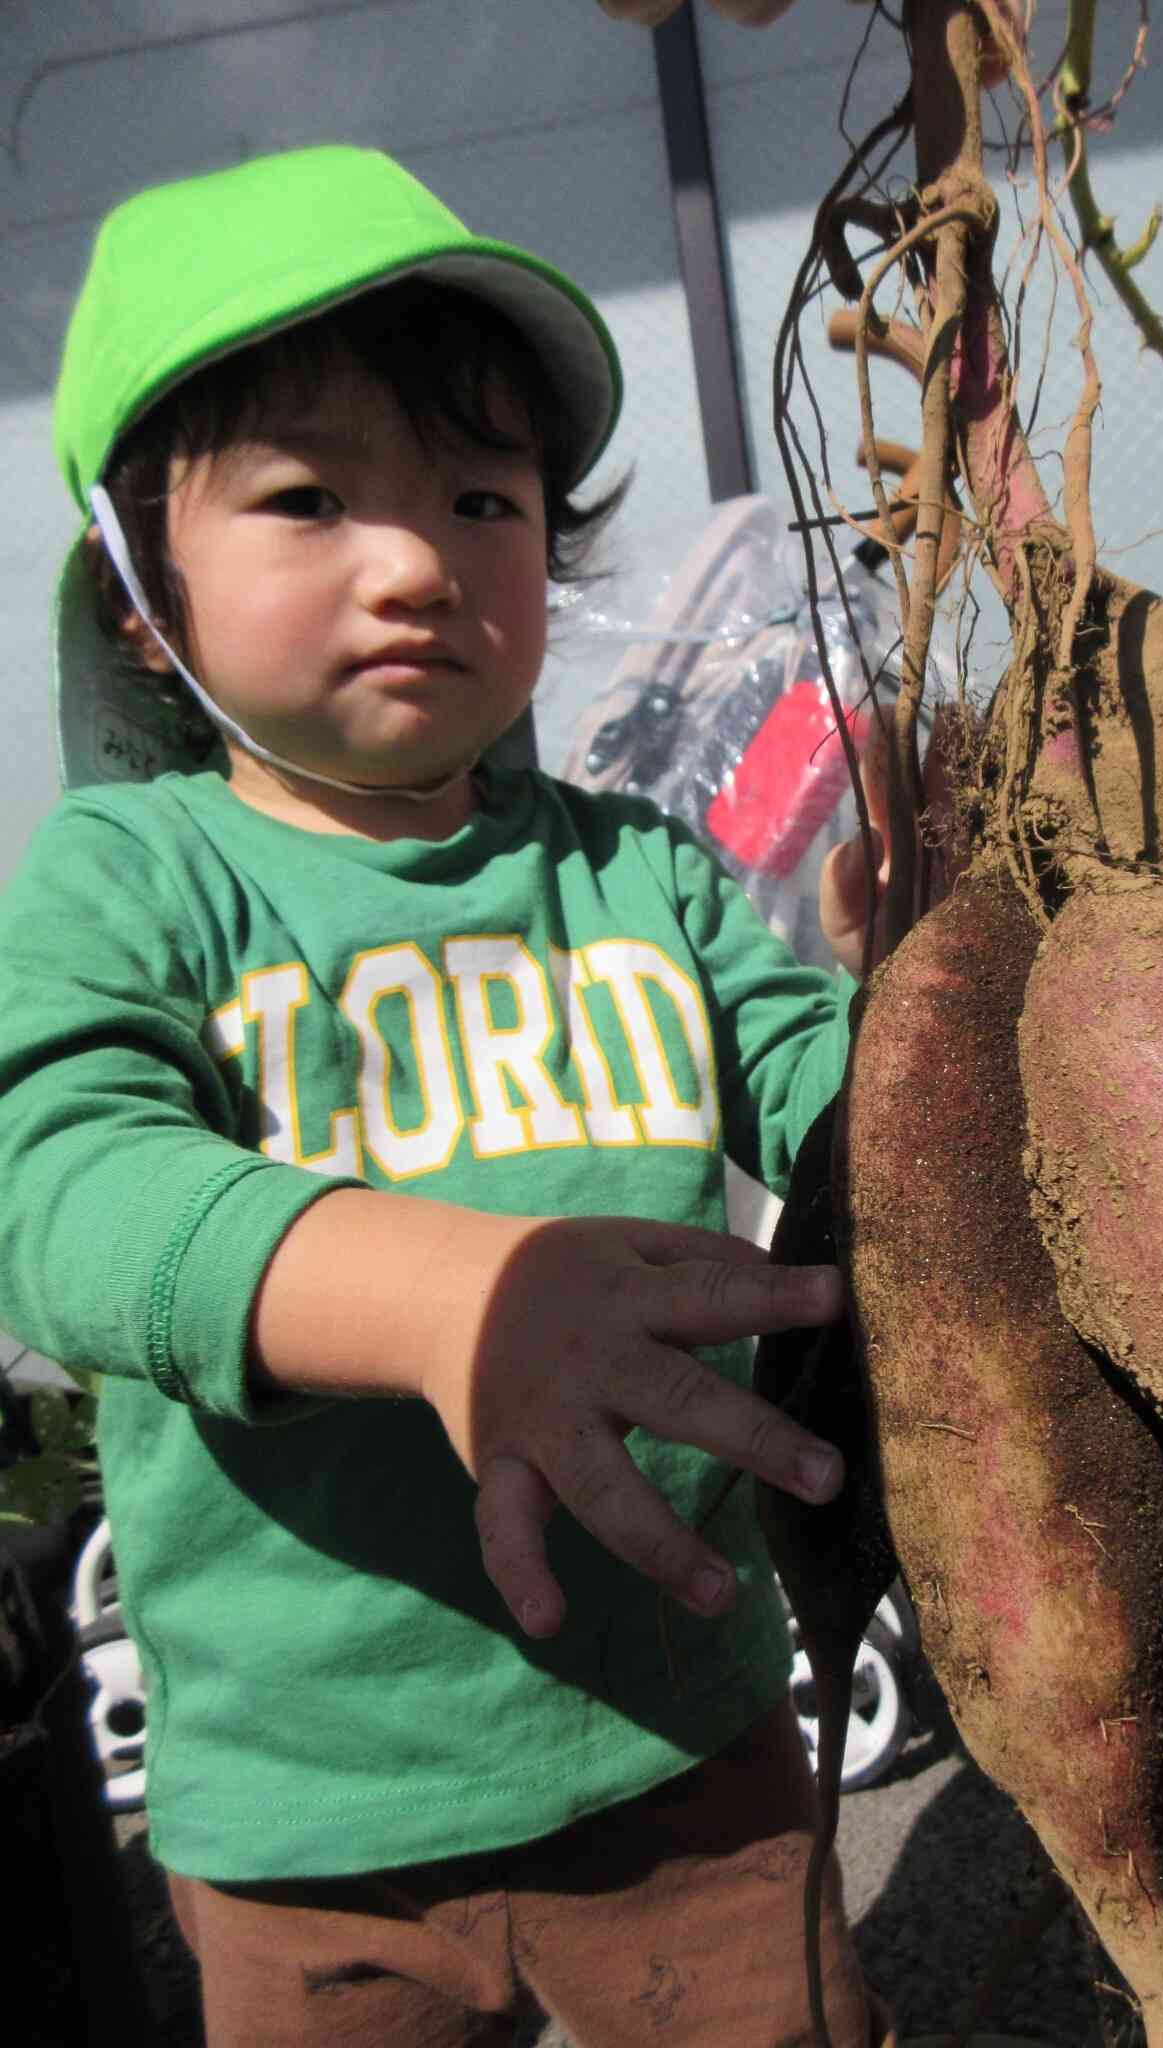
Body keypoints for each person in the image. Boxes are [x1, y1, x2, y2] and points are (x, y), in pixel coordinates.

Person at [0, 143, 915, 2047]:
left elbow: (835, 1119)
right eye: (310, 497)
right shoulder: (138, 880)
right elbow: (61, 1193)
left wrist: (921, 1006)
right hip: (320, 1826)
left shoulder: (638, 870)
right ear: (142, 576)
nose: (415, 561)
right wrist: (442, 1302)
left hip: (697, 1747)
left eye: (481, 496)